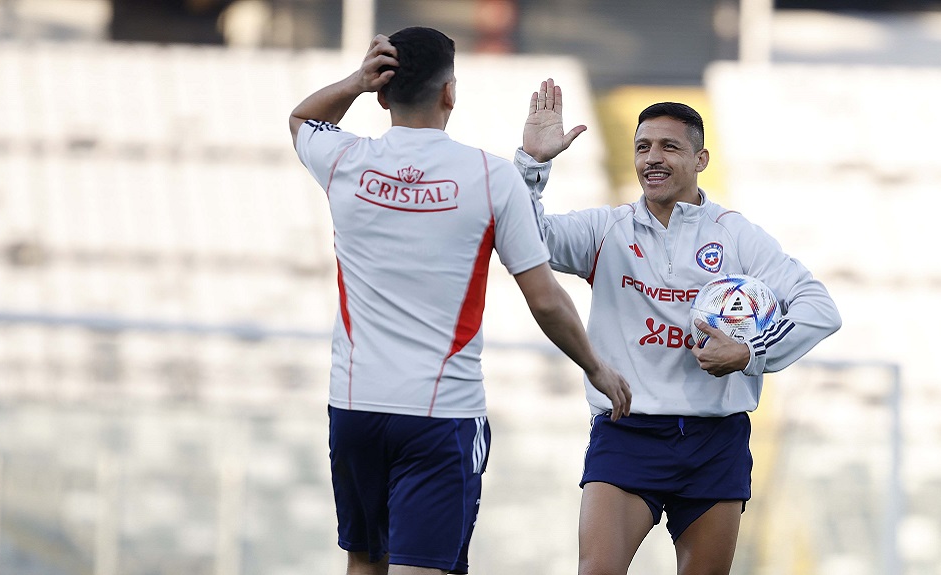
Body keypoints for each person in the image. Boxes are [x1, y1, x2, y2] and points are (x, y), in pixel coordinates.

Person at [288, 32, 632, 575]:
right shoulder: (492, 176)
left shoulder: (344, 161)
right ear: (450, 93)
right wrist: (595, 366)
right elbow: (544, 299)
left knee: (364, 562)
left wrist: (354, 82)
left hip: (355, 406)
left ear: (382, 94)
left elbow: (302, 120)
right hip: (439, 413)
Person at [515, 79, 842, 575]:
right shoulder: (605, 231)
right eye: (643, 147)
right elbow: (521, 236)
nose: (653, 158)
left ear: (701, 159)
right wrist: (533, 165)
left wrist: (749, 353)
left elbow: (820, 308)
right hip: (628, 434)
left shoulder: (736, 236)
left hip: (715, 440)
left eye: (670, 146)